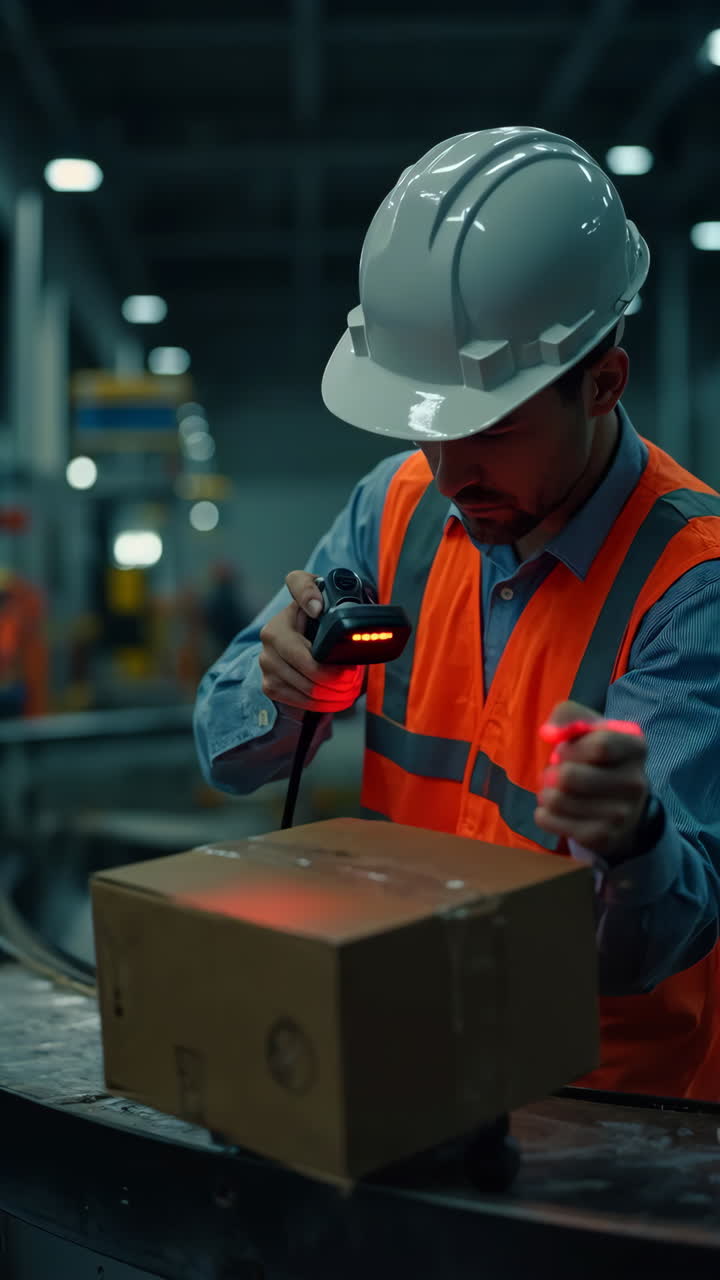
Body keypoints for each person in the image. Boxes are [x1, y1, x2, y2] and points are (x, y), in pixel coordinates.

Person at [194, 127, 720, 1101]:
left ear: (603, 382)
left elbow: (660, 941)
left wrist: (633, 839)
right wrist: (277, 691)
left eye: (494, 431)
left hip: (612, 1124)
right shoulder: (394, 504)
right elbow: (221, 748)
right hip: (413, 1061)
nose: (452, 472)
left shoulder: (695, 585)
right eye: (428, 432)